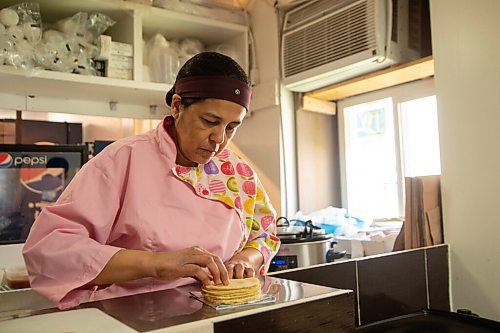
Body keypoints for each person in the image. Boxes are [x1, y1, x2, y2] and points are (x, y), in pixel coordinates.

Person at [22, 52, 280, 310]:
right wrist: (157, 263)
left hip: (216, 316)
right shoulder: (122, 160)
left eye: (232, 127)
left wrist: (246, 259)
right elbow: (50, 249)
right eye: (209, 121)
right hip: (132, 319)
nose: (219, 139)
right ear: (177, 106)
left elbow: (264, 233)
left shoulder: (237, 173)